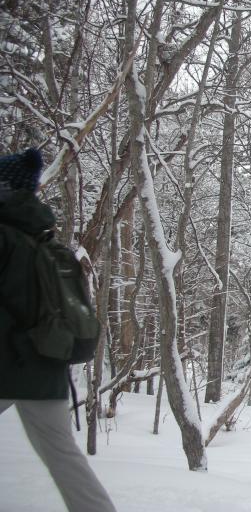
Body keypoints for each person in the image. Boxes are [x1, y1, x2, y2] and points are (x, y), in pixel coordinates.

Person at [0, 148, 116, 512]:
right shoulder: (50, 244)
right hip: (47, 369)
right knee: (66, 460)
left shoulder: (5, 239)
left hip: (5, 365)